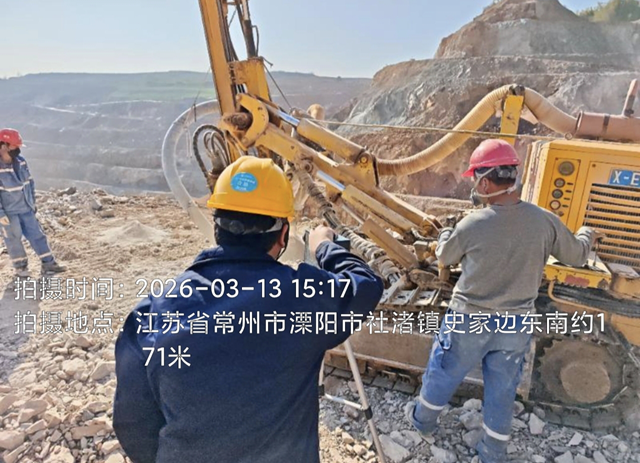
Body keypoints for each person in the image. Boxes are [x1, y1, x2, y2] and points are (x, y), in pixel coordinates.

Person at [113, 156, 384, 463]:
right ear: (283, 235)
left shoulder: (152, 312)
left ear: (217, 226)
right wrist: (324, 246)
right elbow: (365, 284)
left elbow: (132, 423)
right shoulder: (302, 298)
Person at [405, 139, 601, 463]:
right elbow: (578, 255)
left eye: (475, 179)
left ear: (484, 183)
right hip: (516, 323)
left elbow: (444, 256)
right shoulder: (544, 221)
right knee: (502, 388)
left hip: (469, 321)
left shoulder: (473, 224)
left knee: (444, 372)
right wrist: (586, 234)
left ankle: (422, 422)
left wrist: (445, 234)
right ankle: (493, 451)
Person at [0, 128, 66, 277]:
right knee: (13, 240)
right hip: (9, 213)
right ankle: (21, 269)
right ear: (3, 145)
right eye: (14, 146)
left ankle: (49, 264)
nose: (17, 149)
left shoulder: (21, 162)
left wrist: (32, 203)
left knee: (37, 235)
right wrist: (1, 213)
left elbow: (30, 183)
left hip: (26, 208)